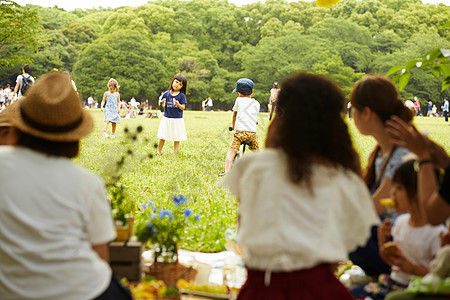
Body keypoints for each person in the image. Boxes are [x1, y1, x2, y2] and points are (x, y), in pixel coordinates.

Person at [222, 72, 379, 299]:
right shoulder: (345, 180)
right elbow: (348, 246)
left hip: (260, 290)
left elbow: (243, 230)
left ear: (282, 116)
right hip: (322, 290)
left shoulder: (253, 168)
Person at [0, 72, 131, 300]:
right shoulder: (88, 183)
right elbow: (101, 258)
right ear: (74, 137)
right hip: (86, 291)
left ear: (19, 125)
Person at [351, 160, 446, 299]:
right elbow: (392, 262)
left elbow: (441, 276)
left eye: (399, 188)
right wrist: (382, 242)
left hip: (416, 290)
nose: (392, 192)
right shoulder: (401, 222)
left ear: (419, 192)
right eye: (393, 186)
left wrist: (413, 269)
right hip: (393, 282)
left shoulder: (435, 232)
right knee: (350, 293)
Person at [349, 75, 413, 277]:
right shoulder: (381, 153)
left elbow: (369, 209)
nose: (351, 116)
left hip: (406, 248)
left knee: (347, 228)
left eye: (353, 110)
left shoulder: (401, 156)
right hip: (389, 237)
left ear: (366, 113)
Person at [219, 78, 260, 176]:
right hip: (252, 134)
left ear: (238, 93)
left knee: (231, 151)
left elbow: (235, 115)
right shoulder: (256, 103)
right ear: (252, 92)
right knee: (257, 152)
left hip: (240, 133)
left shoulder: (238, 100)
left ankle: (227, 171)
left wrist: (233, 126)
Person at [157, 73, 187, 155]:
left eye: (180, 84)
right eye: (176, 82)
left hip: (177, 119)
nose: (177, 85)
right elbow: (164, 106)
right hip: (167, 118)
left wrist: (178, 104)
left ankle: (175, 153)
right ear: (173, 81)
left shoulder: (181, 95)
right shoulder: (166, 94)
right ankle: (159, 151)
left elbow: (183, 107)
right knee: (162, 135)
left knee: (177, 137)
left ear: (182, 87)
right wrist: (163, 103)